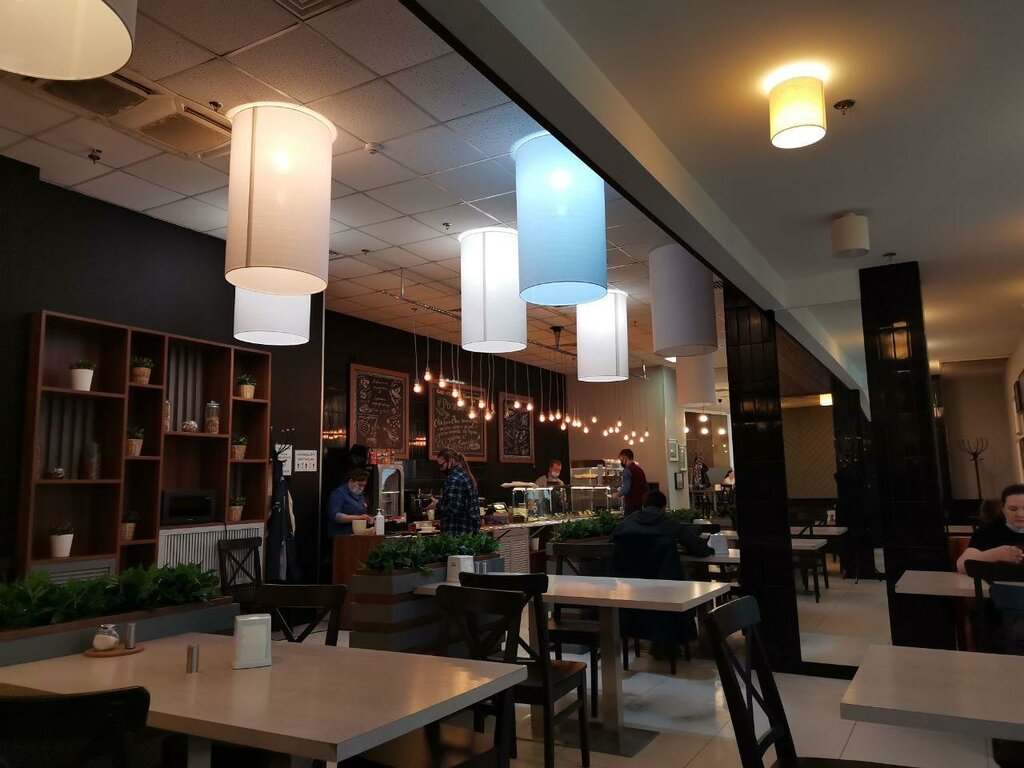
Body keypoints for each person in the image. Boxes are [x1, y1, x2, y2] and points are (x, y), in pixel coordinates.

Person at [611, 490, 713, 557]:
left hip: (628, 578)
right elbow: (701, 549)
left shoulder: (626, 523)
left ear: (643, 506)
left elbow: (611, 544)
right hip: (664, 577)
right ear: (664, 508)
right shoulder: (671, 525)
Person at [956, 483, 1024, 573]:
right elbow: (961, 566)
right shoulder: (988, 531)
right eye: (1013, 509)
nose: (1020, 514)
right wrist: (994, 555)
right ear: (1003, 508)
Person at [427, 447, 481, 534]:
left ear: (450, 461)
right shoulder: (465, 474)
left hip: (457, 530)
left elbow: (452, 508)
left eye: (442, 465)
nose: (441, 469)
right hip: (469, 529)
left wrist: (437, 505)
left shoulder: (454, 479)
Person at [326, 469, 373, 537]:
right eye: (359, 485)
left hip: (357, 535)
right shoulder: (339, 494)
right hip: (341, 536)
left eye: (363, 486)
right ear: (351, 481)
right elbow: (335, 516)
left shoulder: (360, 496)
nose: (361, 488)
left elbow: (362, 512)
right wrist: (358, 517)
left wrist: (369, 517)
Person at [614, 449, 648, 515]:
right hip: (640, 504)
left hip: (631, 505)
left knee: (629, 521)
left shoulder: (627, 470)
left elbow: (626, 489)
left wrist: (617, 494)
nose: (621, 462)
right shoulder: (640, 470)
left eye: (621, 460)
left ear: (625, 458)